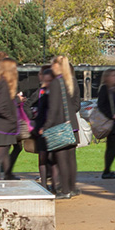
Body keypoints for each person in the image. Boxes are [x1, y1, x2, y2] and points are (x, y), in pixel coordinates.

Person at [44, 56, 79, 199]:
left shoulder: (55, 83)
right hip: (72, 125)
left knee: (61, 159)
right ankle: (71, 187)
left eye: (53, 65)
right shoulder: (71, 81)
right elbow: (77, 104)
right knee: (71, 158)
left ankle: (65, 191)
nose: (51, 68)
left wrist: (46, 126)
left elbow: (52, 109)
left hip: (59, 125)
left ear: (58, 67)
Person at [95, 68, 115, 180]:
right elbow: (101, 105)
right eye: (113, 76)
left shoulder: (112, 89)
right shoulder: (104, 89)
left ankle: (107, 170)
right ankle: (106, 170)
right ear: (107, 77)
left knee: (113, 146)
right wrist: (110, 115)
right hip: (111, 121)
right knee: (112, 146)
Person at [29, 66, 55, 188]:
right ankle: (44, 184)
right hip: (42, 128)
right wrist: (33, 119)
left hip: (52, 127)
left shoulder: (57, 93)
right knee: (43, 157)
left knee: (53, 158)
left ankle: (54, 184)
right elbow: (28, 105)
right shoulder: (41, 92)